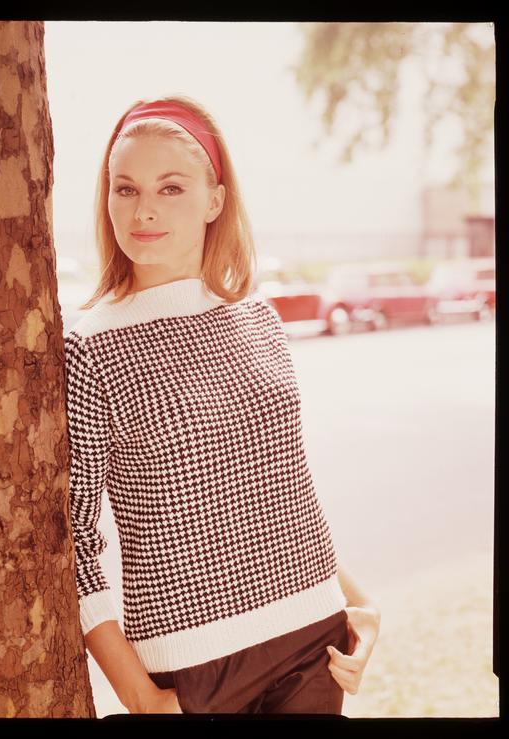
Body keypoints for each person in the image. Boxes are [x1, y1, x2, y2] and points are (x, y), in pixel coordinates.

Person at [64, 94, 381, 716]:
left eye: (171, 188)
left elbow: (281, 484)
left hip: (315, 634)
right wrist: (139, 696)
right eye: (124, 189)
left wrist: (359, 604)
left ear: (215, 200)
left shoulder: (260, 319)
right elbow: (74, 538)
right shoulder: (88, 347)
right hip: (193, 668)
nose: (144, 209)